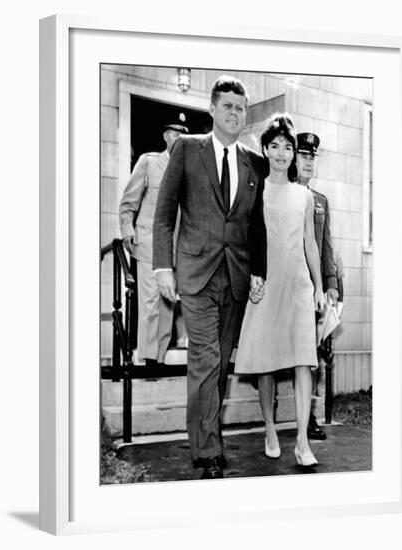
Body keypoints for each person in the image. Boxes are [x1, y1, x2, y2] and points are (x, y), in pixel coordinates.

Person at [153, 76, 266, 479]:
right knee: (205, 360)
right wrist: (162, 267)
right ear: (213, 109)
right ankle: (206, 452)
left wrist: (257, 271)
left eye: (241, 107)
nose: (235, 113)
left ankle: (208, 433)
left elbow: (255, 225)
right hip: (195, 273)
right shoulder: (186, 149)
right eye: (228, 106)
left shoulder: (254, 163)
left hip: (234, 277)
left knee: (219, 366)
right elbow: (164, 213)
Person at [235, 114, 324, 467]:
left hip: (299, 286)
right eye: (275, 146)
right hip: (267, 286)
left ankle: (302, 441)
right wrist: (252, 277)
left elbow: (310, 243)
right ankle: (270, 429)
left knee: (305, 361)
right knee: (267, 364)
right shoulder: (255, 190)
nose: (283, 153)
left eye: (288, 147)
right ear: (266, 150)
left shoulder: (303, 195)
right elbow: (244, 240)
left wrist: (318, 287)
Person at [119, 119, 189, 368]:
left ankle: (159, 358)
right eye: (175, 135)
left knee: (167, 304)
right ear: (166, 136)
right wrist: (127, 230)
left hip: (172, 249)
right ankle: (147, 357)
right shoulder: (148, 162)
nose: (179, 139)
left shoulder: (186, 169)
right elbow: (129, 202)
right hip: (148, 243)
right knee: (149, 303)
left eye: (183, 136)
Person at [296, 132, 338, 439]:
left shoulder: (320, 201)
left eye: (312, 157)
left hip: (312, 294)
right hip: (284, 289)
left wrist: (331, 285)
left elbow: (325, 248)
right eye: (303, 155)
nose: (308, 161)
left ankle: (309, 417)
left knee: (312, 358)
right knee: (278, 356)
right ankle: (270, 412)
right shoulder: (278, 193)